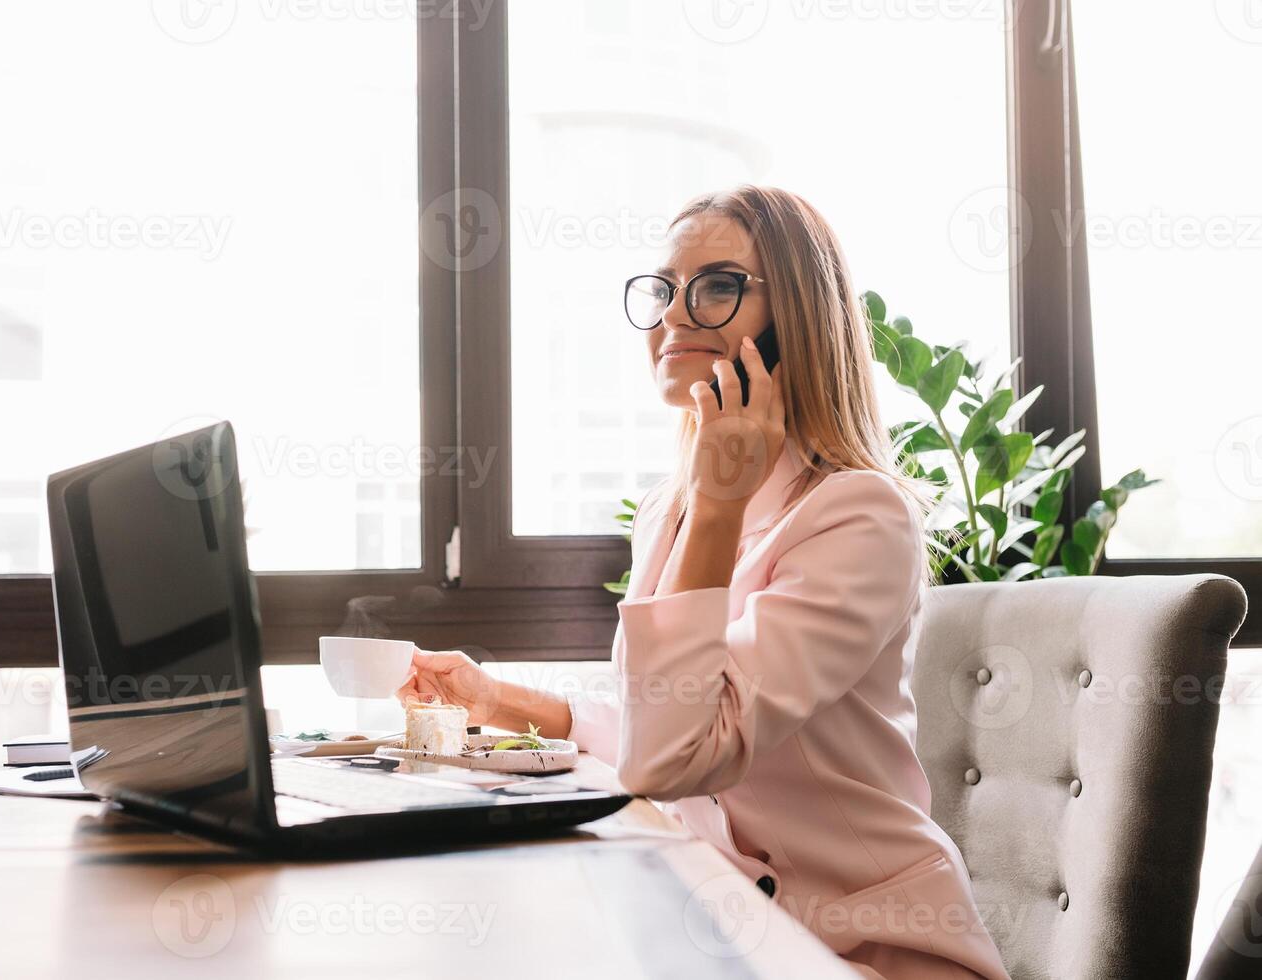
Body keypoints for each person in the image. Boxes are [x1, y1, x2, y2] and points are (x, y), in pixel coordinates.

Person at [397, 185, 1011, 979]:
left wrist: (719, 503)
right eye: (663, 288)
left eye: (717, 285)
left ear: (797, 322)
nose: (674, 314)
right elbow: (661, 719)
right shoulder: (669, 508)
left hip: (863, 951)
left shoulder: (859, 515)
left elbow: (679, 757)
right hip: (729, 929)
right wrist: (500, 703)